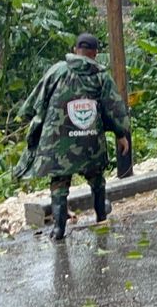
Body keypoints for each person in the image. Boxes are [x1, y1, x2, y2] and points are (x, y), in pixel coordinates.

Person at [18, 33, 132, 240]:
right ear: (95, 53)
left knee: (59, 182)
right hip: (90, 141)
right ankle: (100, 215)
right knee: (96, 177)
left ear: (74, 50)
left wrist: (31, 124)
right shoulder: (100, 76)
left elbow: (35, 102)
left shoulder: (57, 71)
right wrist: (121, 134)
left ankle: (59, 228)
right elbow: (113, 110)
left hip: (58, 142)